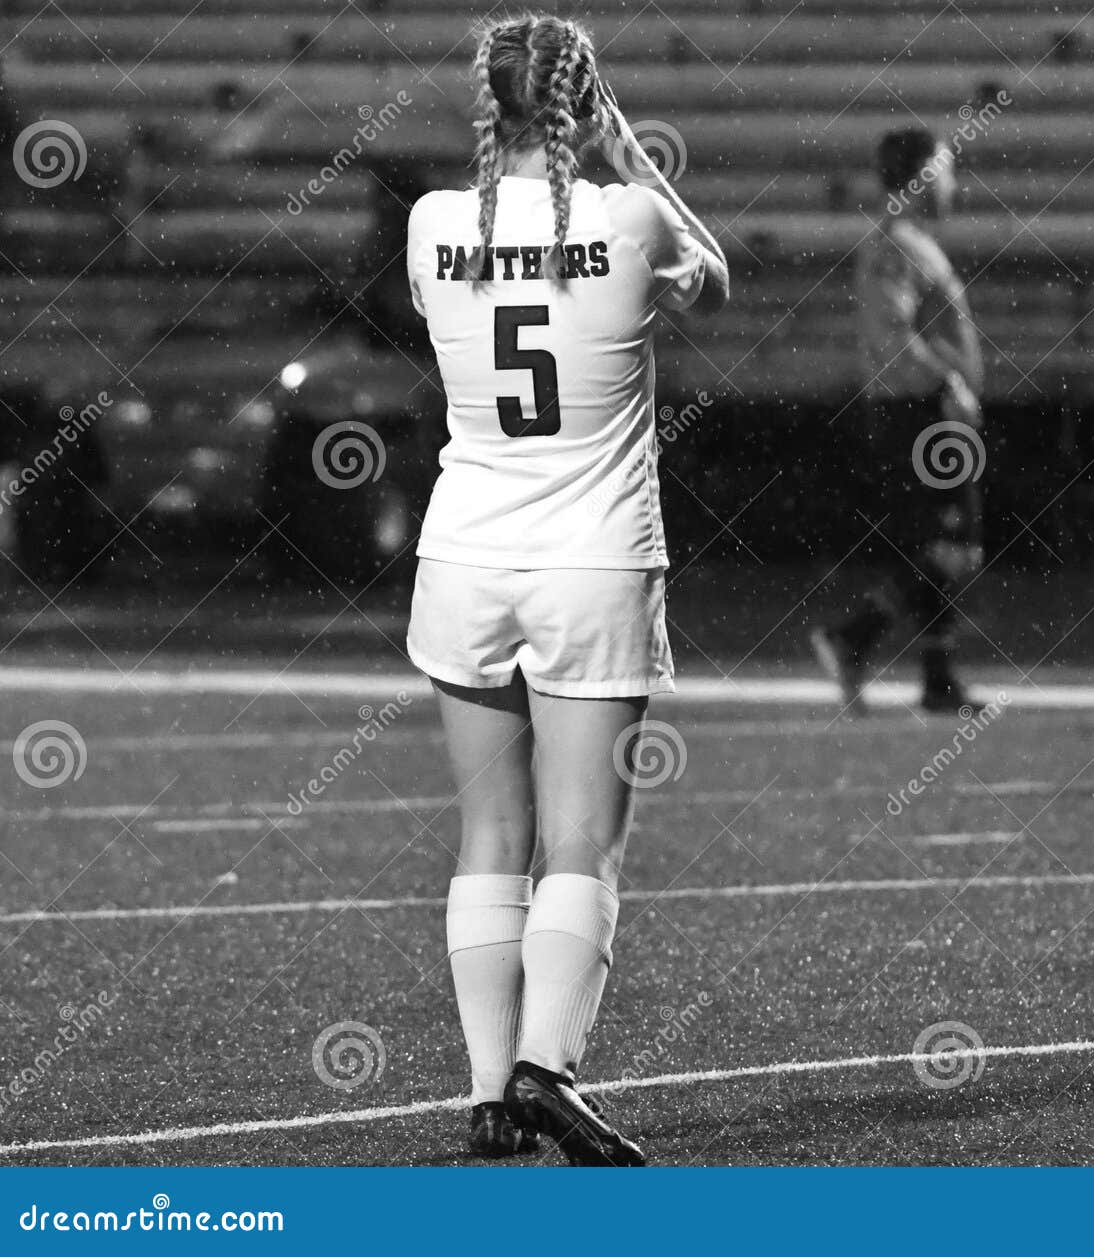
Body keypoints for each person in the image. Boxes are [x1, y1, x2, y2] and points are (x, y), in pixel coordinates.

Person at [404, 11, 728, 1163]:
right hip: (591, 560)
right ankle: (548, 1070)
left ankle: (492, 1096)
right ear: (585, 108)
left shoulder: (430, 222)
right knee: (582, 841)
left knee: (490, 830)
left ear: (484, 107)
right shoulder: (632, 212)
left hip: (462, 556)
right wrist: (628, 153)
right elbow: (718, 281)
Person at [811, 126, 985, 713]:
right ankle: (853, 636)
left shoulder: (911, 242)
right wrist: (947, 380)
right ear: (924, 175)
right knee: (948, 546)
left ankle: (938, 679)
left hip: (921, 409)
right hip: (916, 411)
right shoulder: (897, 246)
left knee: (936, 544)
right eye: (946, 169)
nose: (954, 184)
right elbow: (893, 332)